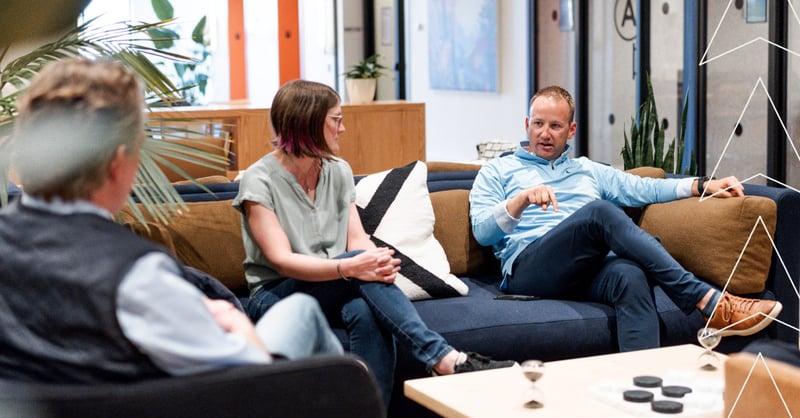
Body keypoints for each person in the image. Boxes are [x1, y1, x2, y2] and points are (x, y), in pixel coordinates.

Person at [0, 58, 343, 383]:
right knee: (301, 311)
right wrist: (234, 320)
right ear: (119, 163)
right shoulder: (136, 275)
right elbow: (251, 383)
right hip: (197, 398)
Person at [233, 79, 514, 406]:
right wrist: (349, 266)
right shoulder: (260, 179)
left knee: (363, 310)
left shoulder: (338, 171)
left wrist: (375, 262)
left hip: (338, 285)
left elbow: (358, 238)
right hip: (276, 295)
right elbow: (280, 260)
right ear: (308, 122)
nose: (343, 128)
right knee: (357, 277)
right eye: (335, 119)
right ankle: (442, 357)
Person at [469, 85, 783, 352]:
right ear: (526, 123)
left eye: (555, 126)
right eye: (538, 124)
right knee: (600, 212)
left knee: (630, 275)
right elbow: (483, 232)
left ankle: (641, 391)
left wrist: (702, 184)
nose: (545, 134)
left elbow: (643, 187)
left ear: (571, 130)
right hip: (531, 270)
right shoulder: (498, 170)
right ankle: (707, 301)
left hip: (586, 270)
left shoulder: (587, 169)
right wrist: (520, 201)